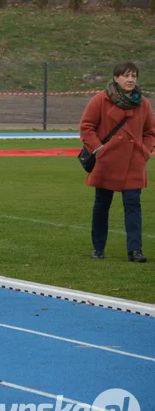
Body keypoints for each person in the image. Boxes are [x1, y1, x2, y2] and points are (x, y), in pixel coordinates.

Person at [79, 61, 155, 262]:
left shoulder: (143, 103)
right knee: (102, 205)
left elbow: (150, 132)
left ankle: (135, 251)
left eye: (133, 76)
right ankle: (98, 247)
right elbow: (87, 127)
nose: (130, 80)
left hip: (133, 162)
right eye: (126, 75)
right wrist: (99, 150)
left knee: (133, 205)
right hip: (107, 162)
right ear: (116, 78)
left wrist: (145, 151)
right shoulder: (101, 100)